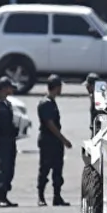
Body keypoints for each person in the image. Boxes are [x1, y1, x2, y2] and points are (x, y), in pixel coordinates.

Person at [37, 76, 74, 206]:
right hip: (48, 140)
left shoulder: (52, 102)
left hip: (55, 141)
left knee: (58, 170)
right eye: (60, 87)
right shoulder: (45, 103)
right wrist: (63, 139)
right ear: (56, 87)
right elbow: (50, 124)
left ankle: (57, 196)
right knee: (45, 169)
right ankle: (41, 197)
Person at [0, 77, 20, 207]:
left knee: (10, 168)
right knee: (3, 168)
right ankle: (0, 197)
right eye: (10, 87)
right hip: (1, 139)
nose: (11, 90)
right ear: (4, 88)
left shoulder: (8, 104)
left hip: (10, 139)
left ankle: (5, 195)